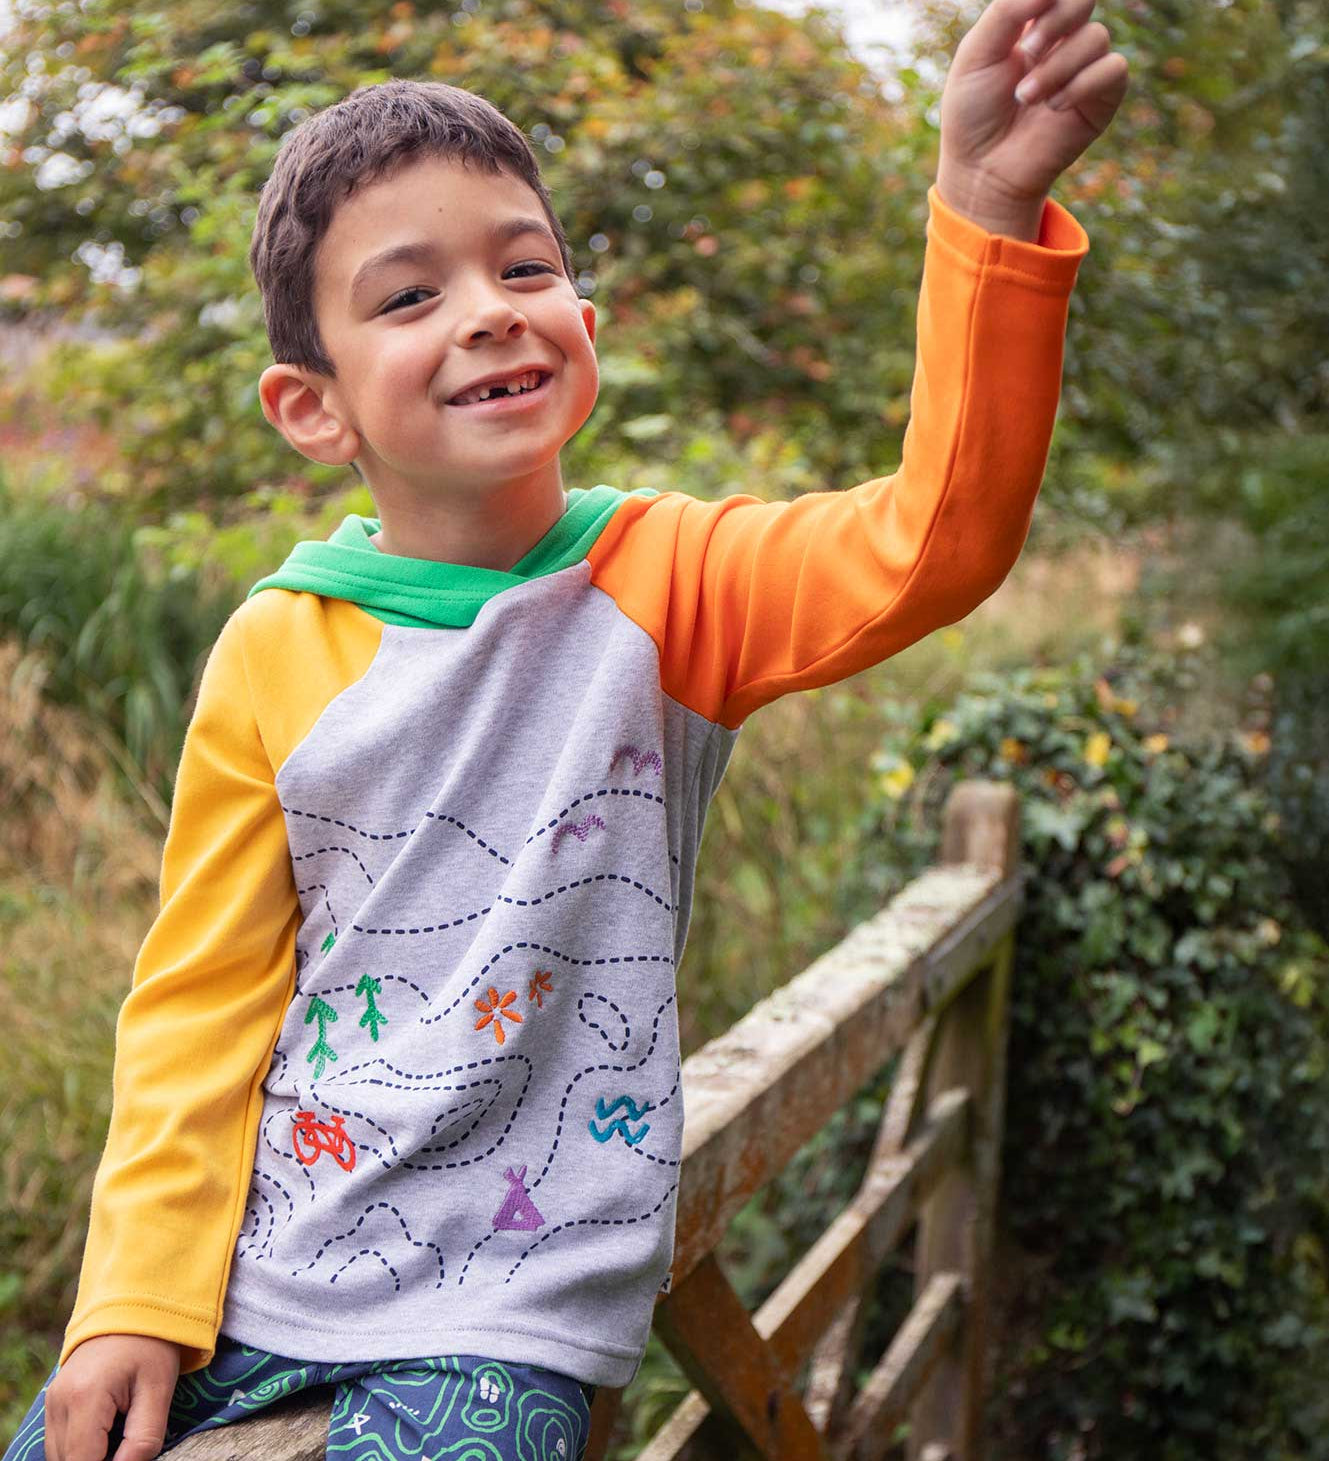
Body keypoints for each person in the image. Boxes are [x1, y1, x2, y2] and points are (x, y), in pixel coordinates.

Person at [6, 1, 1128, 1457]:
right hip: (249, 1278)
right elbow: (198, 1004)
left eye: (524, 267)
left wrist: (983, 200)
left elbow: (936, 542)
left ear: (581, 329)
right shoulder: (272, 647)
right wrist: (128, 1301)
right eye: (409, 297)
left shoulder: (672, 584)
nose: (487, 309)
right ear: (311, 406)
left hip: (505, 1311)